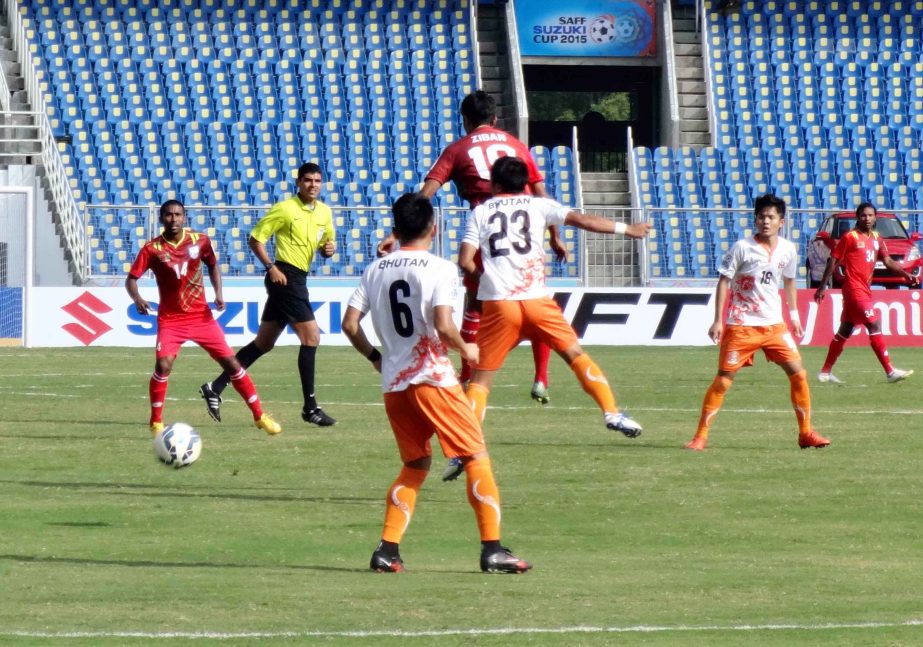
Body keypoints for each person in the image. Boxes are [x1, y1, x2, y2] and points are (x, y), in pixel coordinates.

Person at [342, 192, 531, 574]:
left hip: (394, 384)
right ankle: (492, 548)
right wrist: (467, 348)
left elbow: (349, 324)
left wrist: (376, 358)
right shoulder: (440, 268)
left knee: (416, 464)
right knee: (476, 455)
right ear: (434, 226)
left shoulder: (375, 269)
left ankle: (386, 550)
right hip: (431, 377)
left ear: (395, 228)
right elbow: (444, 326)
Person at [377, 89, 567, 406]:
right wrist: (555, 236)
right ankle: (540, 379)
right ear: (494, 119)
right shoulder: (516, 146)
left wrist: (396, 232)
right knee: (535, 301)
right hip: (525, 232)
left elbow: (427, 193)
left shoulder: (458, 148)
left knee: (474, 307)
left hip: (486, 231)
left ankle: (467, 376)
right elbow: (541, 193)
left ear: (465, 121)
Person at [459, 155, 650, 442]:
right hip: (537, 301)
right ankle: (611, 412)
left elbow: (464, 261)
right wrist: (628, 229)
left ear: (494, 185)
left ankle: (466, 446)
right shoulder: (538, 205)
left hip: (500, 304)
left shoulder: (481, 212)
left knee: (481, 380)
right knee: (575, 355)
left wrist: (485, 281)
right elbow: (583, 220)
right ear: (525, 185)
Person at [685, 193, 830, 451]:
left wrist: (794, 316)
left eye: (771, 217)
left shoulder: (788, 249)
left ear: (781, 222)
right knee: (723, 381)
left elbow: (788, 282)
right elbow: (724, 281)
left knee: (799, 373)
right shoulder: (742, 247)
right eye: (761, 217)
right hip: (742, 326)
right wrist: (718, 320)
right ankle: (700, 437)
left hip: (774, 326)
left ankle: (806, 432)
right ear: (755, 219)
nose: (765, 221)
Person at [126, 200, 281, 436]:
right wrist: (137, 298)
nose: (174, 219)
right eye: (169, 215)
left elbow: (213, 265)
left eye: (178, 214)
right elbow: (131, 279)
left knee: (232, 364)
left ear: (184, 217)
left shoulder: (200, 241)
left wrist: (219, 293)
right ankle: (156, 422)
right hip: (171, 320)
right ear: (161, 219)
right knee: (163, 364)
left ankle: (260, 416)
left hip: (201, 318)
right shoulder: (152, 249)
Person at [199, 162, 337, 427]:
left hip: (298, 277)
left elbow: (325, 245)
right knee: (312, 337)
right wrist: (271, 267)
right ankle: (310, 407)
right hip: (284, 276)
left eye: (317, 181)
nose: (313, 185)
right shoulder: (284, 209)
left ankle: (215, 387)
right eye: (308, 180)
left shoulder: (324, 213)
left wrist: (327, 250)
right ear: (298, 183)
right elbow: (255, 239)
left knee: (263, 343)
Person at [814, 203, 917, 384]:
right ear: (857, 217)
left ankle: (825, 372)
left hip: (864, 289)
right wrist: (823, 286)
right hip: (853, 289)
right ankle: (890, 371)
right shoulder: (850, 237)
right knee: (873, 324)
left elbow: (887, 261)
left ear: (875, 217)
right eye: (863, 216)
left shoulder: (877, 238)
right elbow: (834, 261)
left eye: (870, 215)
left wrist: (905, 274)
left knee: (845, 330)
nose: (867, 219)